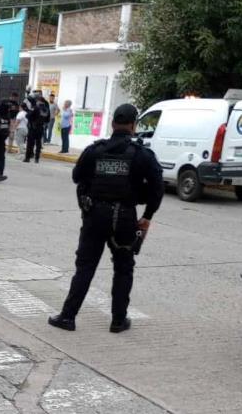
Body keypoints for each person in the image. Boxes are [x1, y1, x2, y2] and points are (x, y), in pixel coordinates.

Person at [48, 104, 164, 333]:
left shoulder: (95, 151)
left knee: (85, 267)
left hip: (95, 215)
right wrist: (147, 216)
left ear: (112, 124)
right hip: (125, 217)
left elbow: (76, 177)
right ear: (133, 126)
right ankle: (118, 321)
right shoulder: (142, 155)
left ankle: (67, 317)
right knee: (123, 268)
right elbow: (157, 188)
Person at [24, 90, 49, 163]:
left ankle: (27, 158)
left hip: (33, 127)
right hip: (41, 127)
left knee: (30, 143)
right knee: (38, 144)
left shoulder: (35, 107)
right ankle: (37, 159)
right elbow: (47, 119)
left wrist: (27, 113)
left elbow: (28, 116)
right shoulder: (45, 108)